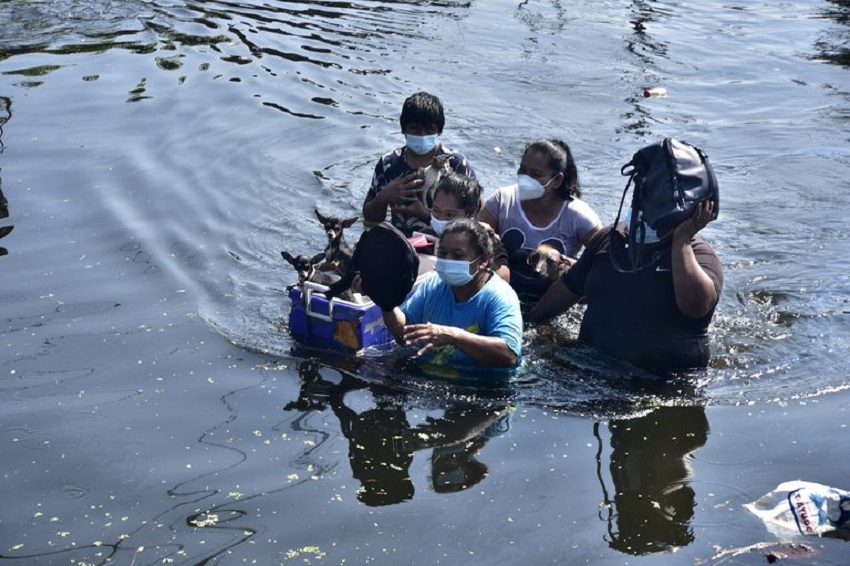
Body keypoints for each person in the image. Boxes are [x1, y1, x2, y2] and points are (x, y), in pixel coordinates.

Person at [527, 187, 723, 371]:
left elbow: (696, 307)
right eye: (642, 203)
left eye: (657, 207)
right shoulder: (609, 240)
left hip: (664, 382)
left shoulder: (701, 257)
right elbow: (560, 295)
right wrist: (530, 323)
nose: (645, 212)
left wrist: (682, 239)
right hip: (591, 367)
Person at [381, 219, 522, 368]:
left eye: (458, 255)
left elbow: (509, 355)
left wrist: (452, 336)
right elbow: (405, 334)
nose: (447, 260)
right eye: (442, 253)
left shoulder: (499, 297)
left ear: (483, 261)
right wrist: (386, 302)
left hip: (481, 386)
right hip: (430, 375)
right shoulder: (432, 284)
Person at [478, 138, 602, 301]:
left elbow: (604, 263)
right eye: (523, 170)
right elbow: (472, 244)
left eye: (536, 175)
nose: (525, 178)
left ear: (557, 180)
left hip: (548, 300)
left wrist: (564, 265)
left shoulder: (577, 215)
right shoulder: (503, 200)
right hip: (503, 292)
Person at [362, 92, 476, 237]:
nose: (422, 136)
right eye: (415, 129)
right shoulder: (389, 163)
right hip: (400, 243)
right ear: (403, 129)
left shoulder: (456, 164)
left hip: (445, 244)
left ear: (439, 130)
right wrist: (384, 196)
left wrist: (425, 214)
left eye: (430, 130)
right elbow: (370, 218)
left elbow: (475, 218)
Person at [417, 171, 511, 282]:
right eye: (436, 210)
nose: (441, 218)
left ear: (470, 215)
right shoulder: (422, 237)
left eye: (450, 215)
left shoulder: (486, 242)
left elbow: (503, 277)